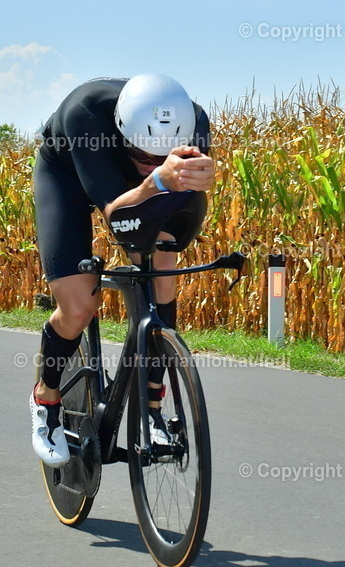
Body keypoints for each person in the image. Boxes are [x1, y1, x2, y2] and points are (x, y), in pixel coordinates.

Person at [30, 73, 215, 466]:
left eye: (158, 156)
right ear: (122, 132)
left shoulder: (195, 122)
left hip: (141, 185)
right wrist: (156, 181)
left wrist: (192, 178)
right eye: (142, 154)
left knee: (163, 268)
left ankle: (152, 409)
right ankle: (45, 398)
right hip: (67, 178)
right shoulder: (86, 115)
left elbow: (179, 200)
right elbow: (118, 216)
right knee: (78, 306)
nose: (149, 163)